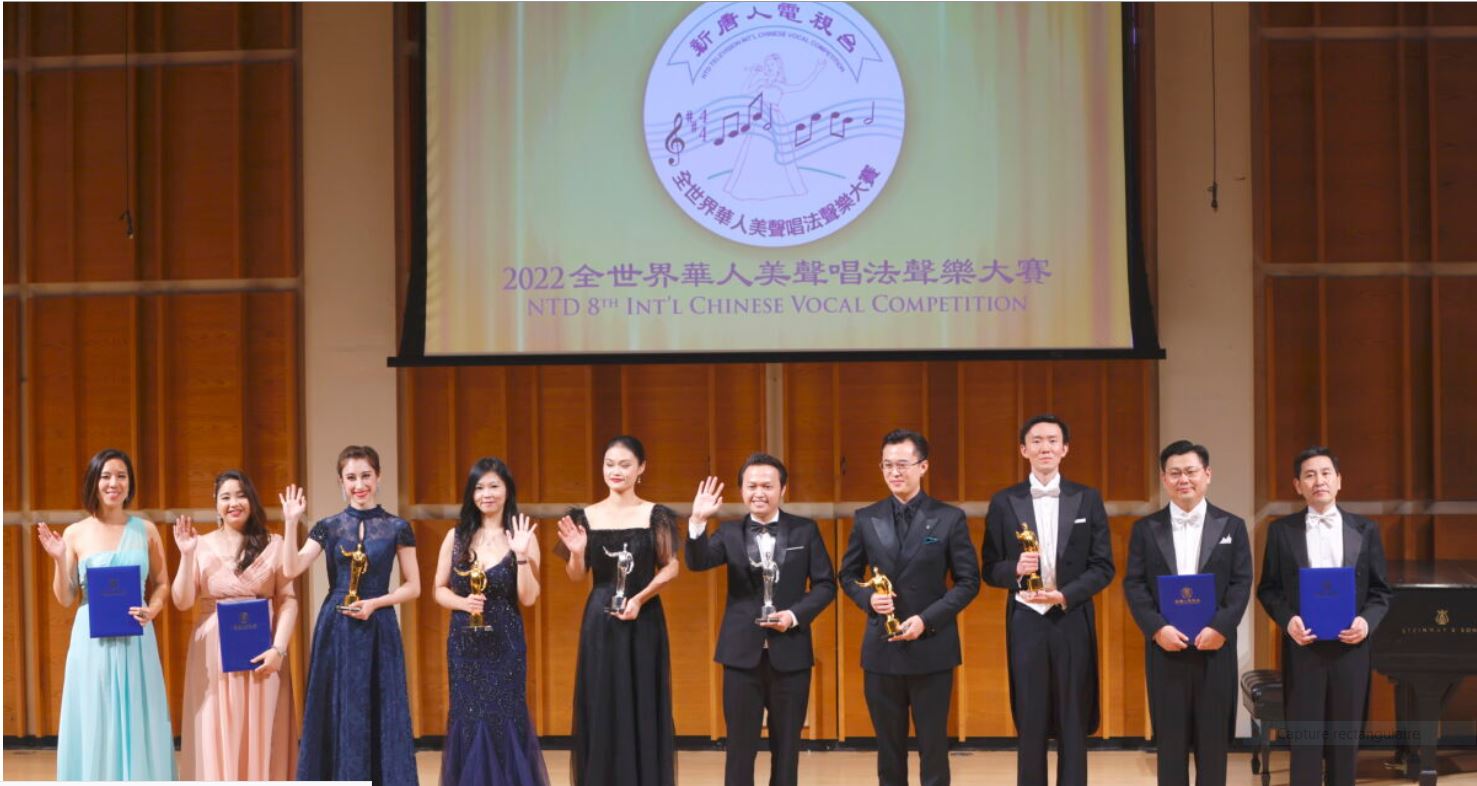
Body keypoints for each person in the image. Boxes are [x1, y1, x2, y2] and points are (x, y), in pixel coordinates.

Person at [838, 429, 980, 786]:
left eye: (902, 464)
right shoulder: (866, 517)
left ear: (923, 466)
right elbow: (847, 575)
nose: (894, 472)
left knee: (933, 747)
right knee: (888, 748)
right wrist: (868, 599)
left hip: (931, 647)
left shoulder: (949, 518)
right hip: (881, 650)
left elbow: (968, 582)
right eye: (887, 465)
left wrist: (926, 620)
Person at [686, 454, 837, 786]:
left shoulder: (805, 530)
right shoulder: (728, 533)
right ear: (741, 490)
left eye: (767, 486)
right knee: (739, 748)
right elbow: (697, 563)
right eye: (751, 485)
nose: (759, 492)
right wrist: (697, 522)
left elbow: (826, 585)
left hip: (791, 653)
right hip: (741, 656)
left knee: (787, 749)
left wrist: (795, 615)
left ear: (783, 488)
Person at [981, 414, 1114, 786]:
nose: (1045, 447)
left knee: (1074, 716)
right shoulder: (1005, 501)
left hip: (1072, 616)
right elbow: (988, 568)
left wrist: (1066, 594)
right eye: (1036, 441)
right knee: (1031, 716)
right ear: (1024, 450)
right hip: (1026, 620)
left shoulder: (1087, 498)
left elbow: (1104, 566)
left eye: (1053, 440)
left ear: (1065, 449)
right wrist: (1014, 570)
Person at [36, 448, 175, 780]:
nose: (114, 483)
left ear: (130, 484)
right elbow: (66, 596)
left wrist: (152, 609)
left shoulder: (146, 530)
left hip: (136, 635)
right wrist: (58, 558)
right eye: (107, 476)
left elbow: (162, 583)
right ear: (94, 482)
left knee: (140, 712)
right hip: (91, 639)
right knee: (96, 713)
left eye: (122, 476)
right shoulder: (75, 533)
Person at [1256, 446, 1392, 786]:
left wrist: (1366, 622)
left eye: (1326, 473)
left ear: (1339, 480)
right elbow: (1269, 589)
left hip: (1352, 650)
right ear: (1297, 485)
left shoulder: (1366, 529)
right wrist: (1288, 621)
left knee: (1345, 744)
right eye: (1310, 475)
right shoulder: (1281, 531)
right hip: (1304, 649)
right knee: (1304, 742)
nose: (1319, 481)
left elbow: (1381, 591)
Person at [287, 444, 420, 786]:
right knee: (338, 706)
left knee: (379, 705)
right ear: (340, 482)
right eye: (351, 477)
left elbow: (414, 587)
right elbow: (291, 568)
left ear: (379, 477)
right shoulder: (328, 527)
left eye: (365, 476)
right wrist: (290, 524)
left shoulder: (397, 527)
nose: (359, 484)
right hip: (337, 626)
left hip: (379, 625)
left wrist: (377, 603)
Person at [1122, 441, 1252, 786]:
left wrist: (1220, 627)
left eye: (1191, 471)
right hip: (1166, 650)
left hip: (1216, 649)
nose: (1184, 479)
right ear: (1164, 479)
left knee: (1213, 748)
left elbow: (1241, 584)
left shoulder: (1232, 526)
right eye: (1175, 473)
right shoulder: (1146, 529)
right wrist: (1156, 629)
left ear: (1207, 475)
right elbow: (1134, 585)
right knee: (1170, 747)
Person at [555, 435, 679, 786]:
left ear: (641, 468)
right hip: (600, 619)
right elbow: (577, 577)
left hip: (644, 617)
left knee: (641, 699)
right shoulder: (585, 515)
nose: (616, 471)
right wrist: (578, 552)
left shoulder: (656, 514)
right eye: (609, 464)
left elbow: (671, 567)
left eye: (625, 464)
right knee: (602, 700)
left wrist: (641, 597)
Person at [172, 469, 299, 779]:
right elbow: (182, 600)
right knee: (216, 729)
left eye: (240, 495)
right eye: (225, 497)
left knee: (261, 727)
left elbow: (288, 600)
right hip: (214, 655)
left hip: (263, 652)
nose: (234, 502)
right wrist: (187, 556)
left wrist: (278, 650)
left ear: (252, 500)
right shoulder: (199, 545)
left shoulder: (275, 542)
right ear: (216, 504)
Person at [432, 457, 549, 786]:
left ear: (507, 490)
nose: (487, 493)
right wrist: (463, 602)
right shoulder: (456, 538)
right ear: (471, 494)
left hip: (505, 642)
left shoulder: (523, 536)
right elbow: (438, 590)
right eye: (480, 487)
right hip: (465, 644)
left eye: (494, 486)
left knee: (505, 717)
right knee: (468, 717)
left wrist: (522, 555)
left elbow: (528, 598)